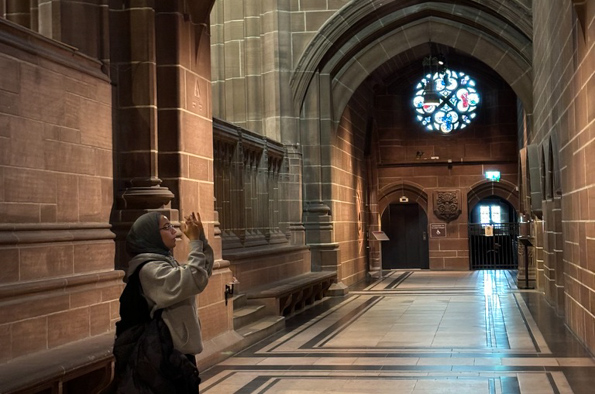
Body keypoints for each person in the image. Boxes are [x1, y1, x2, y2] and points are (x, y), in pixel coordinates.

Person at [108, 211, 214, 394]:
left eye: (172, 226)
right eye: (167, 227)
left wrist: (201, 239)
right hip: (163, 358)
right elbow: (195, 277)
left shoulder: (164, 263)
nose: (174, 231)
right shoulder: (150, 270)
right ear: (150, 236)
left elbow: (202, 274)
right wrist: (194, 242)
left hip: (175, 354)